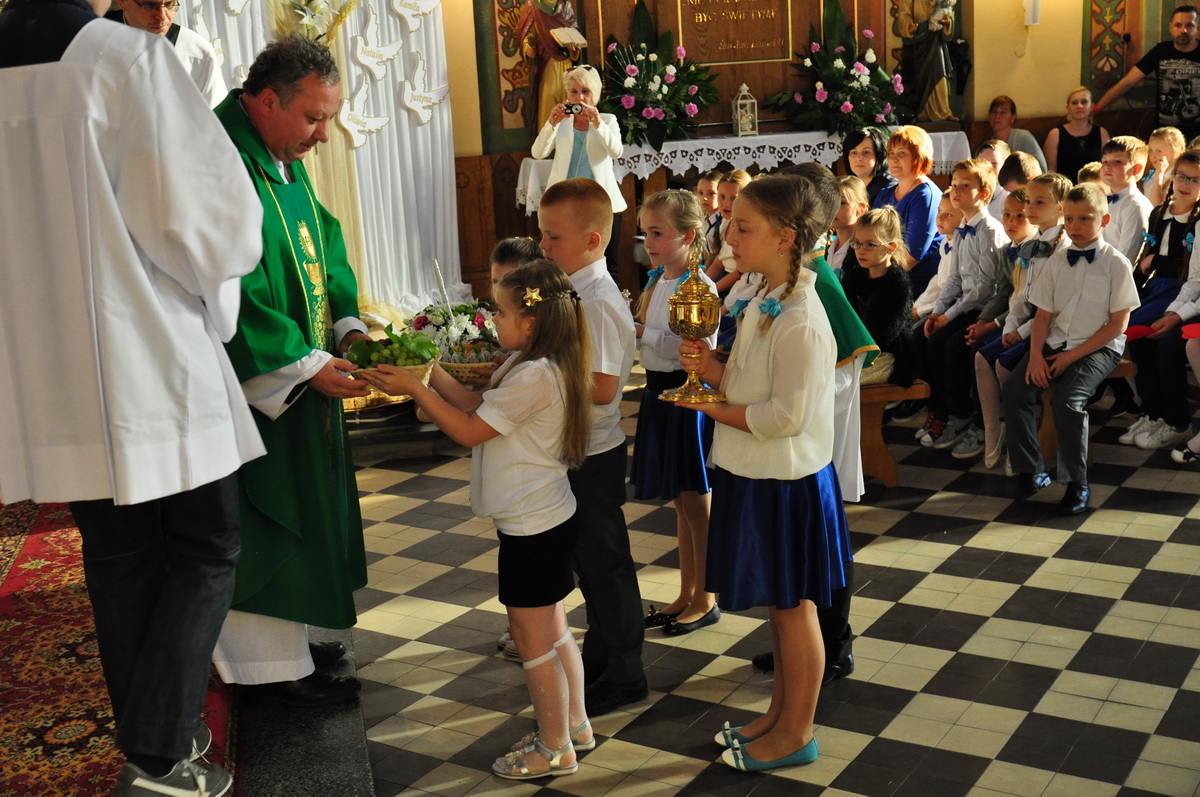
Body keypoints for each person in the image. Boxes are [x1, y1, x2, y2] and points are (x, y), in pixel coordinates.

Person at [0, 1, 266, 793]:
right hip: (150, 352)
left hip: (50, 369)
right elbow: (207, 221)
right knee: (208, 544)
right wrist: (219, 300)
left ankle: (163, 744)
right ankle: (157, 752)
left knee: (118, 557)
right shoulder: (123, 59)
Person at [359, 262, 594, 779]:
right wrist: (429, 371)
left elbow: (468, 430)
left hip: (533, 527)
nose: (493, 321)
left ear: (530, 321)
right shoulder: (533, 363)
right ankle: (574, 726)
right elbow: (473, 403)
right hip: (544, 518)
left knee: (532, 640)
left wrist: (416, 390)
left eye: (501, 312)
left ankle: (554, 748)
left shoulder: (534, 375)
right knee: (554, 628)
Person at [210, 37, 372, 707]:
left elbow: (320, 239)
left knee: (304, 500)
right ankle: (265, 671)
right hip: (257, 385)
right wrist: (303, 366)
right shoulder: (221, 156)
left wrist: (347, 324)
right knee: (267, 510)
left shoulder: (276, 153)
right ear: (268, 101)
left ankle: (292, 641)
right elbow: (226, 283)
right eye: (314, 118)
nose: (323, 135)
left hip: (302, 374)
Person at [678, 175, 852, 772]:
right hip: (756, 474)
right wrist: (713, 366)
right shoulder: (765, 297)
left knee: (795, 609)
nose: (729, 236)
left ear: (785, 238)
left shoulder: (801, 317)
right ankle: (778, 715)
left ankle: (797, 733)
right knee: (780, 607)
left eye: (742, 227)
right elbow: (750, 379)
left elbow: (784, 417)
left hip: (787, 483)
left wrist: (709, 407)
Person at [537, 178, 646, 716]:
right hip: (575, 448)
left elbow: (602, 388)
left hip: (594, 452)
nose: (543, 246)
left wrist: (536, 382)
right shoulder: (574, 292)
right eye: (542, 234)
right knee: (590, 565)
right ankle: (602, 658)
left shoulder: (597, 302)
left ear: (592, 241)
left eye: (553, 237)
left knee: (606, 566)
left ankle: (627, 673)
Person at [1004, 183, 1140, 515]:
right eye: (1069, 219)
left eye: (1085, 219)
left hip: (1098, 347)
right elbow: (1042, 317)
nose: (1075, 227)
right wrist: (1036, 357)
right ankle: (1031, 470)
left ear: (1104, 220)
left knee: (1067, 401)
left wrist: (1070, 357)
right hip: (1055, 342)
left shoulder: (1117, 264)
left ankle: (1077, 482)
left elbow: (1117, 326)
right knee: (1015, 390)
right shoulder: (1056, 262)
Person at [630, 191, 719, 636]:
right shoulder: (659, 281)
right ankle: (687, 592)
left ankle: (707, 598)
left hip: (688, 397)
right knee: (682, 505)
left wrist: (642, 333)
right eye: (645, 233)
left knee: (697, 503)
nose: (649, 242)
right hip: (658, 393)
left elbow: (699, 349)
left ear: (687, 235)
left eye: (658, 233)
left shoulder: (700, 286)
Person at [918, 158, 1008, 449]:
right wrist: (938, 313)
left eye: (965, 186)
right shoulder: (961, 229)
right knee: (928, 339)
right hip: (966, 304)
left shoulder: (989, 230)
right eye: (954, 184)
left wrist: (949, 315)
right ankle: (942, 410)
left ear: (984, 193)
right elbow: (954, 279)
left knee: (953, 346)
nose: (955, 190)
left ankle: (965, 413)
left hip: (987, 309)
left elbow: (985, 287)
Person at [1120, 149, 1200, 450]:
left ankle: (1175, 419)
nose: (1186, 184)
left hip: (1178, 291)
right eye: (1181, 177)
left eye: (1195, 180)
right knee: (1137, 336)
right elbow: (1147, 256)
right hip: (1164, 290)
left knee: (1161, 342)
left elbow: (1186, 271)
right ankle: (1152, 412)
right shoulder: (1159, 212)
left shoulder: (1197, 221)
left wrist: (1155, 263)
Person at [958, 187, 1041, 462]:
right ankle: (992, 428)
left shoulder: (1039, 251)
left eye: (1020, 216)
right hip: (1013, 319)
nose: (1011, 222)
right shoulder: (1008, 251)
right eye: (1006, 214)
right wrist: (983, 320)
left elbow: (1029, 303)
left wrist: (993, 325)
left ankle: (1018, 430)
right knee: (978, 353)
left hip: (1035, 321)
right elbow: (1004, 293)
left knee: (998, 358)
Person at [531, 64, 627, 278]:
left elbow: (616, 152)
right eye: (574, 91)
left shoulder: (608, 120)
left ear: (595, 94)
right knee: (560, 263)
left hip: (602, 205)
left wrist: (598, 123)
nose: (580, 97)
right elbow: (538, 153)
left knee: (608, 264)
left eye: (585, 91)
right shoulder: (562, 122)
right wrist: (552, 123)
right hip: (565, 204)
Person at [1094, 5, 1200, 140]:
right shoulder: (1161, 51)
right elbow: (1127, 82)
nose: (1183, 30)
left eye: (1189, 25)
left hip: (1197, 135)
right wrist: (1097, 108)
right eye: (1178, 25)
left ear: (1197, 28)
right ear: (1171, 28)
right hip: (1164, 134)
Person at [843, 207, 918, 387]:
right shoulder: (854, 276)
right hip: (858, 351)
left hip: (889, 357)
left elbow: (885, 335)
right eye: (856, 243)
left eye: (870, 245)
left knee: (840, 381)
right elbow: (845, 317)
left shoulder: (897, 283)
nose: (860, 251)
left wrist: (855, 352)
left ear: (891, 247)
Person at [106, 0, 225, 105]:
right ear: (123, 2)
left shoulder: (197, 53)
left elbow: (216, 117)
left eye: (169, 4)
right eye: (150, 6)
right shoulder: (101, 42)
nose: (162, 17)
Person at [874, 126, 944, 296]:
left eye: (902, 153)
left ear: (919, 156)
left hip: (916, 286)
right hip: (886, 275)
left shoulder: (925, 195)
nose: (894, 159)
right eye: (891, 153)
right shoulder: (885, 194)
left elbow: (911, 256)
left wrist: (875, 277)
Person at [518, 0, 581, 131]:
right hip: (546, 60)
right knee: (549, 100)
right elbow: (528, 32)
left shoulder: (565, 4)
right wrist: (526, 45)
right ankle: (548, 139)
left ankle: (571, 137)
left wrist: (573, 47)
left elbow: (573, 30)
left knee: (568, 100)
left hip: (566, 62)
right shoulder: (533, 4)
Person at [896, 0, 956, 122]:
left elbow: (948, 11)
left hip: (935, 37)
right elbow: (903, 14)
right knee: (918, 78)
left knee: (939, 72)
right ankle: (919, 113)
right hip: (917, 40)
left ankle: (942, 111)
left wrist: (948, 22)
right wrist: (909, 25)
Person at [1101, 135, 1155, 264]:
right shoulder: (1101, 200)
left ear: (1136, 169)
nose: (1107, 166)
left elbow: (1126, 257)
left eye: (1117, 161)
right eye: (1104, 161)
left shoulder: (1136, 206)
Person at [1044, 87, 1111, 181]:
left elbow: (1108, 166)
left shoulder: (1102, 133)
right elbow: (1051, 172)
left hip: (1095, 187)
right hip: (1066, 188)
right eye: (1074, 103)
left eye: (1084, 102)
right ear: (1068, 108)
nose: (1079, 106)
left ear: (1092, 106)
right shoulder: (1055, 134)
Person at [707, 169, 753, 293]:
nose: (726, 204)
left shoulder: (747, 228)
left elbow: (740, 272)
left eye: (733, 198)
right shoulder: (725, 222)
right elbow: (718, 263)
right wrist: (702, 285)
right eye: (722, 197)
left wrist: (711, 291)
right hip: (723, 278)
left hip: (740, 284)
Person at [985, 94, 1047, 170]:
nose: (997, 116)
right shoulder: (986, 146)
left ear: (1013, 117)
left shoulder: (1024, 138)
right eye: (994, 112)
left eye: (1003, 113)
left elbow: (1042, 168)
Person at [826, 175, 870, 276]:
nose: (833, 208)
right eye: (830, 202)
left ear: (861, 209)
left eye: (842, 203)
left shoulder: (865, 251)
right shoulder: (827, 247)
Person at [841, 127, 896, 205]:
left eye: (866, 152)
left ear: (879, 155)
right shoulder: (847, 187)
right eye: (854, 152)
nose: (859, 158)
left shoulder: (889, 189)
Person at [1143, 127, 1187, 206]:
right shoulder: (1152, 173)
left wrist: (1159, 176)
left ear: (1176, 152)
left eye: (1159, 151)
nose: (1153, 156)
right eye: (1151, 150)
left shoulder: (1178, 179)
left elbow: (1155, 207)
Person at [976, 139, 1012, 219]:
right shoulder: (973, 193)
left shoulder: (1008, 198)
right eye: (982, 163)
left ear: (1006, 165)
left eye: (994, 163)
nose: (987, 168)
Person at [696, 169, 724, 259]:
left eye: (711, 193)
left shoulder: (723, 221)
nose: (704, 198)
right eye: (701, 193)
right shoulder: (705, 220)